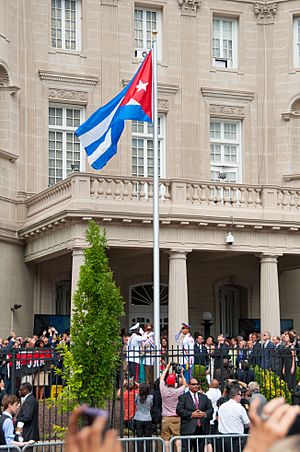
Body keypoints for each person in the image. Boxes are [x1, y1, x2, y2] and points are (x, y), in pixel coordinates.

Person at [176, 377, 213, 452]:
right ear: (189, 385)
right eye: (193, 384)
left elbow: (210, 409)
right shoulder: (183, 397)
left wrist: (204, 414)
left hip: (201, 429)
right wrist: (191, 414)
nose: (196, 386)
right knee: (186, 449)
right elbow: (179, 410)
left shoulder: (204, 397)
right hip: (188, 429)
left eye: (197, 384)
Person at [159, 362, 187, 452]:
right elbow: (185, 385)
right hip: (175, 417)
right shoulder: (177, 392)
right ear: (174, 383)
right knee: (177, 437)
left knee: (166, 439)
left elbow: (161, 379)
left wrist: (167, 368)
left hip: (166, 417)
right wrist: (182, 374)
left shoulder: (163, 390)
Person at [218, 386, 250, 452]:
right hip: (236, 438)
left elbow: (218, 419)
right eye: (240, 395)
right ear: (236, 396)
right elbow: (247, 423)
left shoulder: (222, 406)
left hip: (223, 437)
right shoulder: (239, 407)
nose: (241, 397)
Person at [133, 382, 153, 452]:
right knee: (148, 438)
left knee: (139, 438)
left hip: (138, 418)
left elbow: (135, 403)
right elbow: (151, 406)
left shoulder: (136, 396)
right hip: (148, 418)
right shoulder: (150, 397)